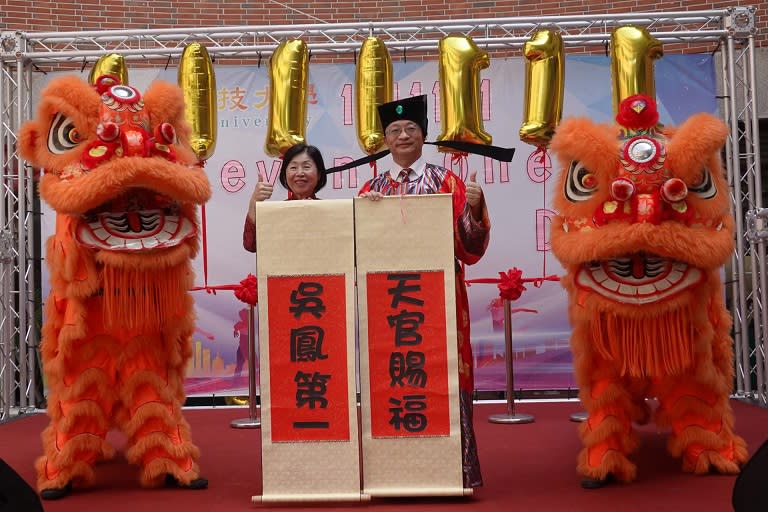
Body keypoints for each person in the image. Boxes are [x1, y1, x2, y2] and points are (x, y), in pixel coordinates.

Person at [358, 94, 489, 488]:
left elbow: (471, 249)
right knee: (397, 377)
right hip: (389, 303)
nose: (402, 136)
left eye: (411, 129)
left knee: (442, 373)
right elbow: (359, 247)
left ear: (423, 135)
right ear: (384, 140)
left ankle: (454, 469)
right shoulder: (371, 186)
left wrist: (475, 209)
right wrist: (365, 212)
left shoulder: (448, 182)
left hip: (440, 300)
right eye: (394, 131)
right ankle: (395, 469)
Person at [243, 143, 327, 252]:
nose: (300, 173)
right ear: (285, 175)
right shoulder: (276, 212)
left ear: (319, 174)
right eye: (293, 167)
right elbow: (251, 245)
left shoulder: (329, 211)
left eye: (306, 167)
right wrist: (254, 201)